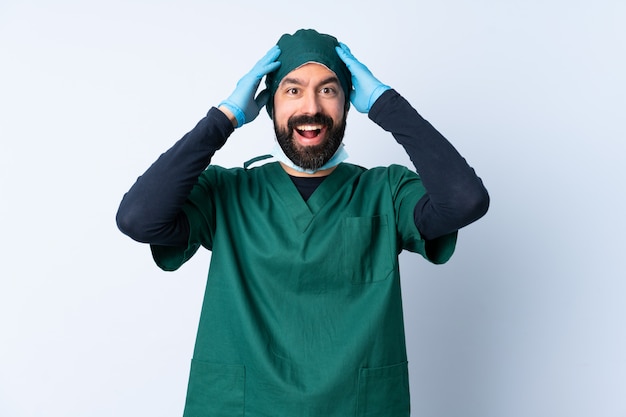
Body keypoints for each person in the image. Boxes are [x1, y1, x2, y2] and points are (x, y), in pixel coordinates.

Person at [116, 29, 489, 417]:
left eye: (328, 90)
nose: (310, 107)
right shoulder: (227, 192)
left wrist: (386, 104)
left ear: (348, 104)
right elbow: (139, 218)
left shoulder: (386, 191)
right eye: (292, 90)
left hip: (355, 407)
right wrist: (222, 117)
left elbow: (465, 200)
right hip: (243, 407)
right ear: (269, 106)